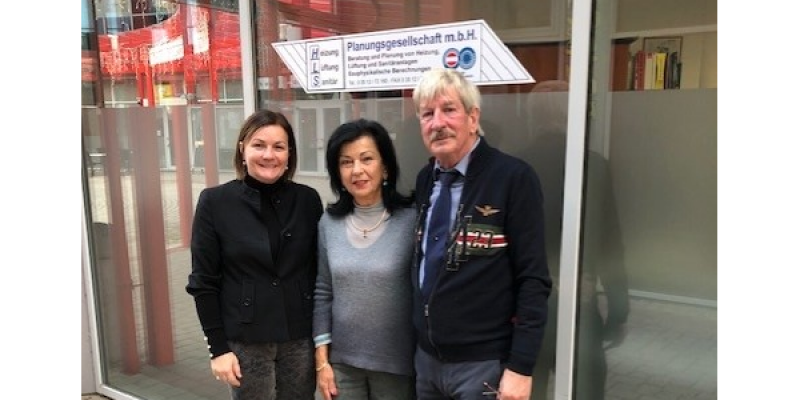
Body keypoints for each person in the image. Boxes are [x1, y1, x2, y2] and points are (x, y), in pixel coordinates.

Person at [410, 68, 552, 400]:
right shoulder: (425, 180)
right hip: (427, 362)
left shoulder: (513, 178)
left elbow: (533, 279)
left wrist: (521, 367)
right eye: (427, 114)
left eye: (449, 109)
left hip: (483, 366)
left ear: (473, 117)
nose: (437, 123)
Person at [186, 109, 323, 400]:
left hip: (299, 338)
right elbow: (203, 282)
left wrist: (322, 341)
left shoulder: (307, 200)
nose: (268, 155)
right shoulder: (215, 202)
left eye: (278, 147)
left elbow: (318, 273)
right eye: (258, 145)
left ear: (289, 154)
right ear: (242, 149)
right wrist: (218, 348)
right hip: (246, 340)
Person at [313, 118, 417, 400]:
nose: (357, 170)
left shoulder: (411, 221)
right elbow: (323, 291)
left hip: (397, 366)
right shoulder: (328, 223)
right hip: (341, 366)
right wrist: (322, 362)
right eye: (346, 162)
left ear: (385, 167)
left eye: (366, 159)